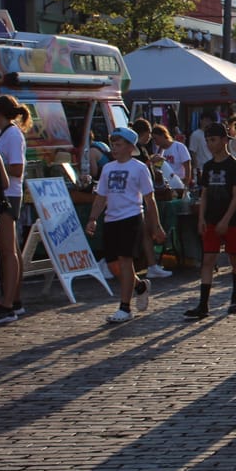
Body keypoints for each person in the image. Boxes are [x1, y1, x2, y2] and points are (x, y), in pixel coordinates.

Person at [85, 127, 167, 324]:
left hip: (131, 218)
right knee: (113, 265)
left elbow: (150, 199)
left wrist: (156, 225)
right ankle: (139, 286)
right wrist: (92, 218)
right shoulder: (108, 168)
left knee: (125, 260)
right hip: (111, 220)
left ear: (130, 147)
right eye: (113, 144)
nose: (114, 148)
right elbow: (101, 197)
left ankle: (124, 307)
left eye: (119, 144)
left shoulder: (139, 168)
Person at [184, 123, 236, 320]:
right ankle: (203, 304)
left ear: (224, 140)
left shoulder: (234, 166)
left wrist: (226, 220)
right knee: (208, 260)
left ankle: (235, 298)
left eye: (213, 140)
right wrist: (201, 218)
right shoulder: (208, 167)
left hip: (232, 221)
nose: (210, 144)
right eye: (207, 140)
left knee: (235, 258)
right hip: (211, 219)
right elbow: (204, 194)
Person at [0, 96, 30, 317]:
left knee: (8, 251)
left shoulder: (12, 134)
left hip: (8, 195)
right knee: (11, 249)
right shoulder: (2, 133)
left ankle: (9, 305)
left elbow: (17, 169)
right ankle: (14, 299)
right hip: (3, 193)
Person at [130, 118, 171, 280]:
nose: (150, 139)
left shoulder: (141, 148)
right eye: (149, 135)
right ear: (144, 133)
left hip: (143, 193)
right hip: (139, 196)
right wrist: (150, 162)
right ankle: (150, 265)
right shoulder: (137, 149)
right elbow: (138, 169)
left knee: (146, 233)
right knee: (146, 232)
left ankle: (151, 264)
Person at [0, 151, 17, 324]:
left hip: (0, 207)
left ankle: (6, 304)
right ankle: (8, 303)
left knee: (8, 253)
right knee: (8, 253)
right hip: (1, 205)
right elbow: (4, 182)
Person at [150, 124, 192, 190]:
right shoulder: (158, 151)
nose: (155, 142)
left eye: (156, 139)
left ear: (163, 135)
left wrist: (186, 184)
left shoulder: (179, 147)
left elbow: (187, 167)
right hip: (165, 186)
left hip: (178, 184)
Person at [188, 111, 216, 181]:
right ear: (201, 120)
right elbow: (193, 152)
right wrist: (196, 169)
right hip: (201, 168)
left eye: (210, 121)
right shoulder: (195, 134)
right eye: (206, 120)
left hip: (213, 167)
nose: (208, 123)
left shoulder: (214, 134)